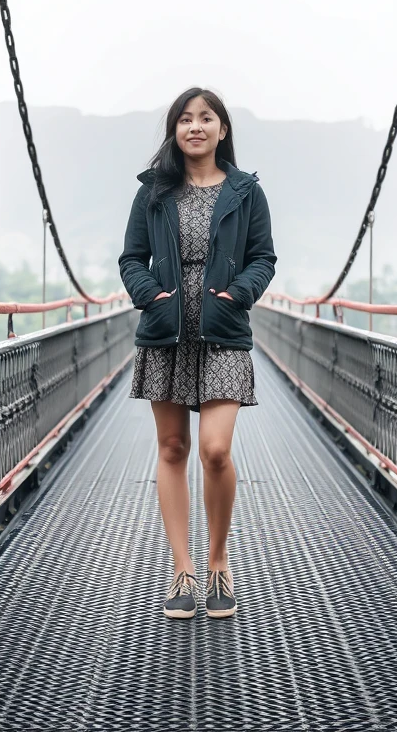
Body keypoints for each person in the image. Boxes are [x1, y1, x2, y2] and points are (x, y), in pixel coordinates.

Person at [119, 87, 277, 620]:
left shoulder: (246, 192)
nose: (195, 127)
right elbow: (131, 258)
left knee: (214, 450)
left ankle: (218, 561)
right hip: (167, 327)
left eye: (206, 118)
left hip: (223, 327)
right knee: (171, 448)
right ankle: (181, 569)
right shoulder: (154, 192)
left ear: (222, 129)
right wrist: (150, 295)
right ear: (175, 130)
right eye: (185, 119)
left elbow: (263, 258)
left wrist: (240, 293)